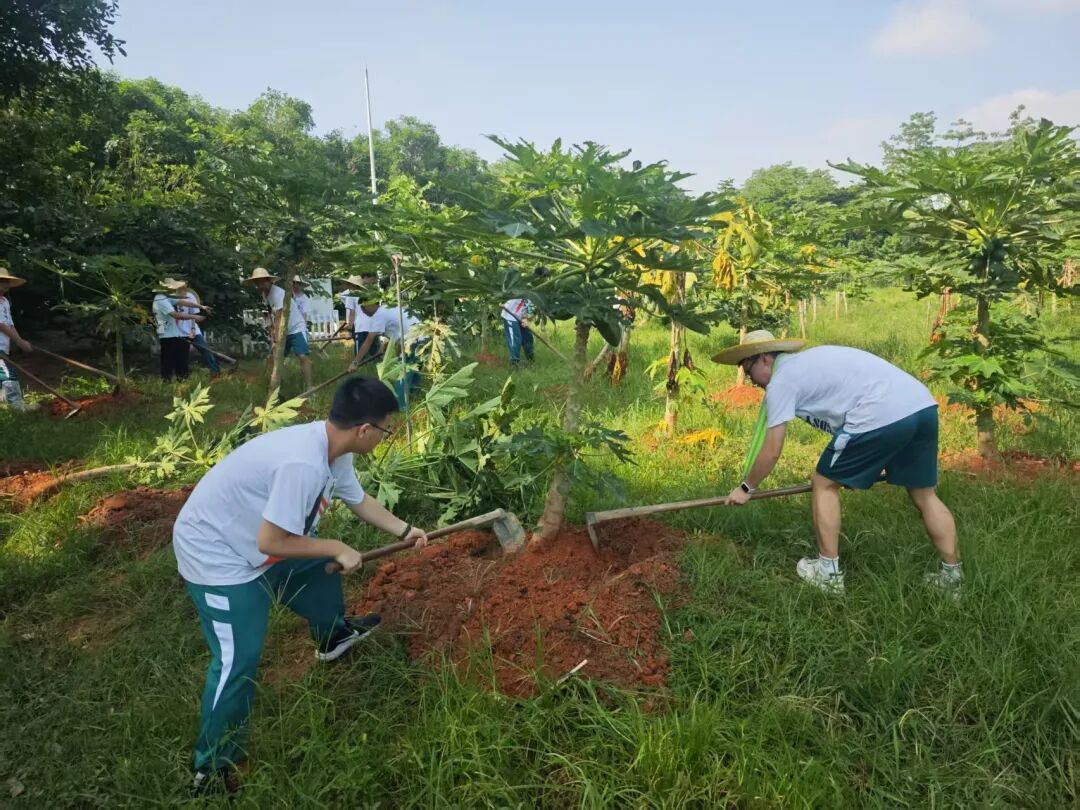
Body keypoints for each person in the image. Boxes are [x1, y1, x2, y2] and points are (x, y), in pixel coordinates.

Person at [172, 376, 428, 793]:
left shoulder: (332, 449)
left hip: (255, 538)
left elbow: (358, 500)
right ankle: (211, 769)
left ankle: (333, 637)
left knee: (320, 563)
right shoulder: (303, 465)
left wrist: (405, 530)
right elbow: (271, 542)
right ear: (365, 430)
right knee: (239, 659)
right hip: (218, 554)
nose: (386, 435)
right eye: (386, 428)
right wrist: (336, 545)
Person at [713, 329, 961, 595]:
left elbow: (773, 450)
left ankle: (828, 574)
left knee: (824, 483)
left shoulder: (782, 381)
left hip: (880, 413)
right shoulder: (806, 364)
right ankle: (953, 579)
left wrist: (746, 488)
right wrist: (861, 467)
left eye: (748, 370)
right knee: (924, 494)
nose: (752, 381)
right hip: (921, 406)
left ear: (764, 358)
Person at [242, 267, 312, 390]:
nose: (260, 285)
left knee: (302, 356)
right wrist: (272, 334)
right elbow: (270, 314)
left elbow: (280, 318)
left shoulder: (278, 294)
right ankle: (273, 387)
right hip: (283, 330)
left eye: (262, 282)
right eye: (257, 282)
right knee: (272, 358)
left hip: (296, 328)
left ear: (269, 281)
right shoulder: (265, 294)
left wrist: (277, 339)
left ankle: (310, 387)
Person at [153, 278, 204, 381]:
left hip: (177, 333)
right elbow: (176, 315)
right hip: (168, 335)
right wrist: (194, 317)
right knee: (168, 362)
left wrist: (201, 306)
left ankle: (183, 381)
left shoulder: (167, 297)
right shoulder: (160, 299)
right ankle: (167, 383)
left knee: (182, 362)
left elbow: (183, 302)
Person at [0, 267, 32, 410]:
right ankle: (16, 405)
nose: (6, 285)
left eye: (7, 281)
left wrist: (20, 341)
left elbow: (10, 324)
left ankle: (5, 403)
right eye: (2, 281)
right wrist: (18, 341)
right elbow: (1, 324)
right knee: (8, 373)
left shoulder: (4, 302)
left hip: (3, 346)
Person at [175, 280, 220, 378]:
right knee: (181, 353)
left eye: (184, 284)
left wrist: (192, 329)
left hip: (192, 328)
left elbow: (193, 314)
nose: (182, 286)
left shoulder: (190, 296)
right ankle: (182, 377)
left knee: (204, 349)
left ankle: (215, 372)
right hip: (177, 330)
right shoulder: (171, 296)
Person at [341, 272, 383, 363]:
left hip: (361, 327)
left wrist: (350, 327)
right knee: (375, 353)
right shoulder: (372, 293)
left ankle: (360, 365)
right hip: (373, 326)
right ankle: (374, 365)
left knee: (360, 354)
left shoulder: (351, 295)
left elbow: (352, 313)